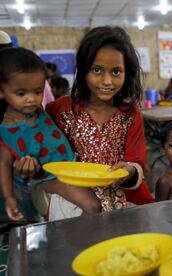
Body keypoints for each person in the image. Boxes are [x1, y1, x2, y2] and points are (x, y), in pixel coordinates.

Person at [46, 26, 154, 219]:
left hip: (123, 205)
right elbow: (42, 152)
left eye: (116, 72)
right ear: (83, 69)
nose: (107, 81)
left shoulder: (130, 114)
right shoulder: (59, 110)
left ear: (126, 73)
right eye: (97, 70)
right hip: (71, 206)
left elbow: (137, 161)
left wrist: (129, 170)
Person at [0, 47, 100, 221]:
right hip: (50, 177)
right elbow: (4, 164)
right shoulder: (6, 131)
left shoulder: (38, 111)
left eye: (38, 92)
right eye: (21, 93)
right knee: (93, 205)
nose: (31, 99)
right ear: (1, 91)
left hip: (73, 167)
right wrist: (9, 197)